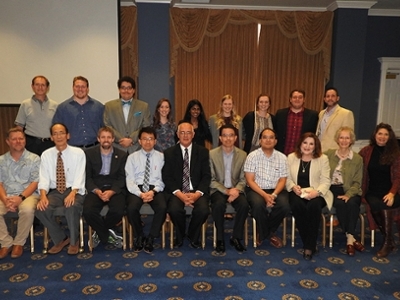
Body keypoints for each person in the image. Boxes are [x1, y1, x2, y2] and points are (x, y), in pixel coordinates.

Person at [36, 123, 86, 255]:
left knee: (71, 206)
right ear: (51, 137)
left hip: (74, 190)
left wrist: (73, 193)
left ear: (68, 135)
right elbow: (44, 178)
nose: (59, 136)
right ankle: (61, 238)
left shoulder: (78, 153)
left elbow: (80, 175)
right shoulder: (46, 155)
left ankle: (74, 241)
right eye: (55, 133)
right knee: (41, 209)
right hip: (56, 191)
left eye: (62, 132)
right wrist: (43, 196)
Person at [162, 122, 210, 248]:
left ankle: (193, 236)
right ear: (177, 134)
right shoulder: (169, 153)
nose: (185, 135)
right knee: (174, 209)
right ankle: (180, 234)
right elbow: (167, 177)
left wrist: (197, 194)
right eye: (182, 132)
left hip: (196, 191)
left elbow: (206, 176)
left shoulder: (203, 152)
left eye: (188, 132)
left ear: (193, 134)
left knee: (203, 210)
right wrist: (180, 194)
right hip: (177, 191)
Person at [286, 133, 332, 260]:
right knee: (296, 205)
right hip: (298, 192)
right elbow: (286, 178)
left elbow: (326, 181)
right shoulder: (291, 157)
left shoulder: (323, 159)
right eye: (305, 142)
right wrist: (293, 187)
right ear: (300, 144)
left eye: (311, 144)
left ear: (315, 146)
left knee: (314, 206)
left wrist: (316, 192)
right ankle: (311, 244)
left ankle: (308, 247)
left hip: (317, 192)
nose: (307, 146)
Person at [244, 128, 290, 248]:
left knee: (285, 205)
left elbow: (282, 180)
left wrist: (273, 195)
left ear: (275, 141)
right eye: (265, 137)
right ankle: (269, 234)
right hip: (256, 189)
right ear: (260, 141)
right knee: (258, 205)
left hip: (276, 190)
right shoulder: (252, 156)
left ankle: (263, 231)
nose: (268, 140)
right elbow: (250, 180)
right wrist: (265, 195)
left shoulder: (282, 157)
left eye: (271, 137)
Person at [359, 123, 400, 258]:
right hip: (372, 191)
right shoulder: (366, 151)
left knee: (384, 204)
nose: (382, 137)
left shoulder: (395, 153)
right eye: (380, 134)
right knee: (375, 204)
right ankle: (389, 240)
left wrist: (392, 193)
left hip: (392, 191)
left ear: (390, 137)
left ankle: (387, 242)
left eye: (386, 134)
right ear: (375, 135)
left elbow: (398, 176)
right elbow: (355, 163)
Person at [83, 126, 127, 249]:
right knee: (88, 211)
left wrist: (112, 191)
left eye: (109, 137)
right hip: (96, 187)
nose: (106, 140)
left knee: (118, 210)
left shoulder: (122, 155)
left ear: (113, 139)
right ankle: (107, 235)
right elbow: (87, 177)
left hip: (114, 188)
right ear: (98, 139)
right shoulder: (89, 154)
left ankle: (100, 233)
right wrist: (97, 191)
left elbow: (122, 178)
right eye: (103, 137)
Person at [0, 128, 40, 259]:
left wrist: (20, 198)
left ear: (25, 140)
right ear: (8, 141)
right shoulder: (1, 160)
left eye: (21, 138)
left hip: (28, 195)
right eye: (14, 139)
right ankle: (6, 242)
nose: (18, 141)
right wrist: (5, 199)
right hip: (7, 195)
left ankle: (19, 242)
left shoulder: (34, 159)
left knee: (27, 209)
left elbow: (35, 182)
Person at [125, 127, 166, 253]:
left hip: (155, 187)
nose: (148, 142)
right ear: (139, 141)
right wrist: (140, 193)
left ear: (155, 141)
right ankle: (139, 236)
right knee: (131, 208)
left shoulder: (162, 157)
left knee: (162, 207)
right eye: (144, 139)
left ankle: (151, 237)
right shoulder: (132, 157)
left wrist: (153, 192)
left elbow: (163, 179)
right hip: (137, 188)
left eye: (151, 139)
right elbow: (130, 180)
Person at [325, 127, 364, 256]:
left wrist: (348, 194)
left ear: (351, 140)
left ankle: (349, 238)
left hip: (351, 190)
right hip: (332, 189)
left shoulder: (357, 159)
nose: (344, 140)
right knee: (341, 204)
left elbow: (358, 182)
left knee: (352, 203)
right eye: (341, 137)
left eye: (347, 138)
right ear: (337, 139)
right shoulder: (329, 154)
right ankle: (351, 238)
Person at [210, 124, 249, 253]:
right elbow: (211, 179)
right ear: (220, 138)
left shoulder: (243, 155)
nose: (228, 138)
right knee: (218, 205)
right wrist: (226, 191)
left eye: (231, 135)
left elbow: (244, 179)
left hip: (235, 189)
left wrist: (236, 190)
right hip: (218, 190)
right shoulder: (212, 154)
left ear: (235, 137)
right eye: (225, 136)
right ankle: (220, 239)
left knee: (244, 205)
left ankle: (236, 237)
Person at [52, 76, 104, 148]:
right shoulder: (62, 108)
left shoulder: (98, 107)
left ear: (87, 89)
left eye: (83, 86)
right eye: (77, 86)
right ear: (73, 88)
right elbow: (56, 129)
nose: (80, 89)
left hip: (94, 149)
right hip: (72, 150)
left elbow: (104, 128)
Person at [104, 76, 151, 154]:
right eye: (123, 88)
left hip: (136, 148)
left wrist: (131, 139)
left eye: (129, 88)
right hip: (117, 148)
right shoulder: (109, 106)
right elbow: (107, 126)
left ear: (133, 90)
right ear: (119, 90)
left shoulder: (143, 106)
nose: (126, 90)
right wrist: (120, 139)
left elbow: (145, 126)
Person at [14, 75, 58, 156]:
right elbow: (19, 128)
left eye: (43, 85)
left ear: (47, 87)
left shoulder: (54, 105)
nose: (40, 87)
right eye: (37, 84)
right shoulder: (25, 104)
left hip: (49, 143)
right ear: (32, 86)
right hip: (31, 143)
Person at [274, 89, 319, 155]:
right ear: (290, 99)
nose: (297, 99)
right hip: (281, 153)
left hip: (302, 154)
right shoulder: (280, 114)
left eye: (300, 97)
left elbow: (313, 135)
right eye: (294, 97)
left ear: (304, 100)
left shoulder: (312, 115)